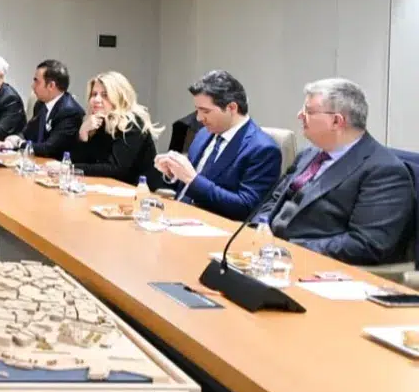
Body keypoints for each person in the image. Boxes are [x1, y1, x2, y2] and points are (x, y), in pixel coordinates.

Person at [254, 78, 415, 265]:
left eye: (309, 111)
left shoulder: (384, 171)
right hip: (269, 254)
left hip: (318, 265)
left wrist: (290, 249)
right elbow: (275, 199)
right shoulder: (310, 153)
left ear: (337, 121)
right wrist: (258, 228)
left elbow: (366, 244)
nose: (300, 115)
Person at [155, 71, 282, 221]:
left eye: (206, 111)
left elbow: (246, 208)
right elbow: (188, 187)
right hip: (177, 216)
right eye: (197, 110)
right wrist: (173, 173)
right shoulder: (203, 134)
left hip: (214, 225)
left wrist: (192, 179)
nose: (199, 118)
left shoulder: (263, 149)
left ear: (232, 108)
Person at [71, 71, 161, 186]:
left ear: (119, 97)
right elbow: (83, 161)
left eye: (105, 95)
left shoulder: (133, 123)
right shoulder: (98, 121)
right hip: (106, 186)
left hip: (137, 190)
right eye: (94, 94)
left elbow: (116, 169)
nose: (97, 99)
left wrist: (70, 168)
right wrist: (83, 134)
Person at [3, 59, 84, 159]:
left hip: (57, 165)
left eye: (37, 81)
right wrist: (11, 142)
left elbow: (49, 148)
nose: (32, 86)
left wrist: (19, 143)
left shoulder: (70, 112)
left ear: (51, 86)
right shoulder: (40, 104)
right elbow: (27, 133)